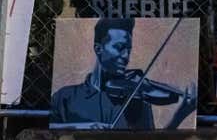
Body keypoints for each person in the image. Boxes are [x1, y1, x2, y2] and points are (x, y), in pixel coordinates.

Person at [50, 18, 196, 129]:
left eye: (128, 49)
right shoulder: (64, 97)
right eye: (119, 48)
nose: (126, 56)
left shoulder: (136, 100)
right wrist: (82, 127)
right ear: (98, 48)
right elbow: (49, 132)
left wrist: (179, 115)